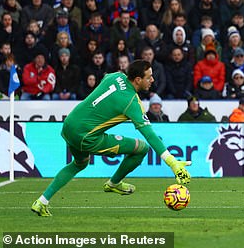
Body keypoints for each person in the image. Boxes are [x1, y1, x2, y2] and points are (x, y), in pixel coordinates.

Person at [31, 60, 192, 217]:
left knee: (79, 163)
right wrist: (173, 163)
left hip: (69, 125)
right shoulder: (132, 102)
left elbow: (106, 83)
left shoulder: (115, 76)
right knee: (141, 148)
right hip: (86, 137)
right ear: (137, 80)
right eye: (149, 77)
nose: (152, 80)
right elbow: (150, 135)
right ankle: (113, 184)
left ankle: (41, 202)